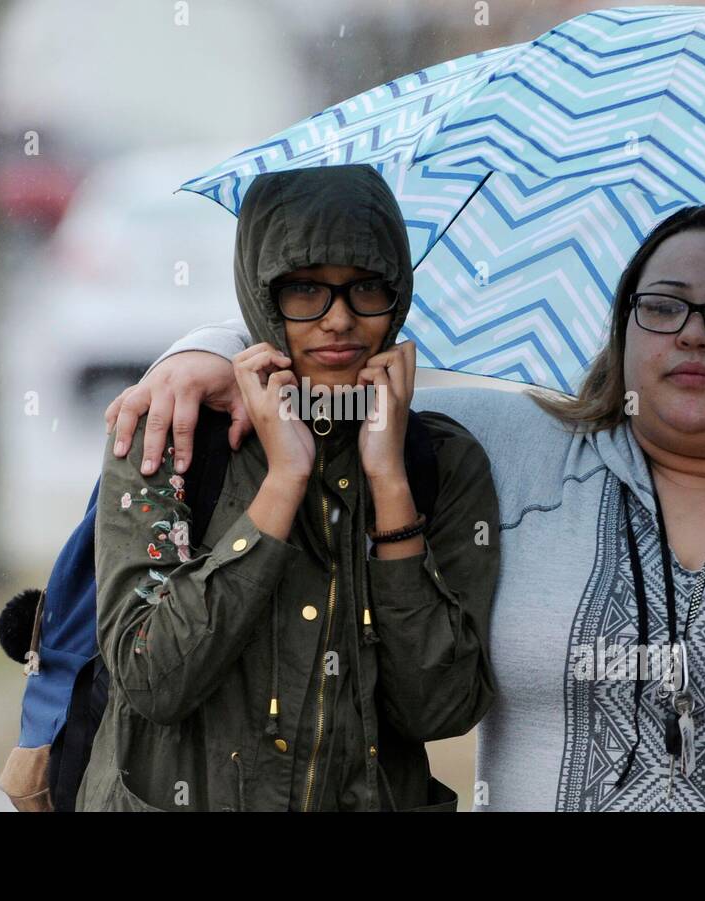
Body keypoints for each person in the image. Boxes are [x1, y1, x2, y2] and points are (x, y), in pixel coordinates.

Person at [104, 205, 705, 811]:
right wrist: (207, 350)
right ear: (621, 330)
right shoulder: (516, 451)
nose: (692, 333)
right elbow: (339, 377)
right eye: (664, 305)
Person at [76, 164, 500, 811]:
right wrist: (282, 486)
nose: (337, 319)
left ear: (399, 294)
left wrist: (389, 489)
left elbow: (439, 706)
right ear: (260, 292)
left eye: (366, 288)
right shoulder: (172, 434)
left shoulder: (439, 460)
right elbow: (153, 677)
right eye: (305, 290)